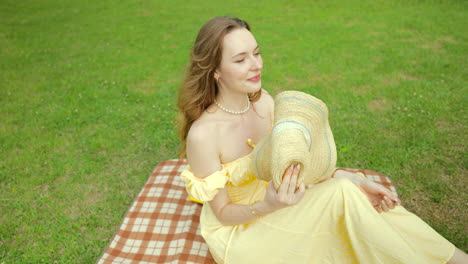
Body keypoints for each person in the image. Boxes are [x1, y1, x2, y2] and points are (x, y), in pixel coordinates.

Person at [177, 16, 467, 264]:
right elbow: (224, 214)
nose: (256, 65)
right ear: (215, 71)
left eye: (257, 53)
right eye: (241, 59)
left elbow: (291, 164)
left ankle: (454, 258)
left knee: (358, 200)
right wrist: (269, 205)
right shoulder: (204, 135)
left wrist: (346, 177)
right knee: (342, 195)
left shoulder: (264, 102)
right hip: (243, 233)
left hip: (282, 204)